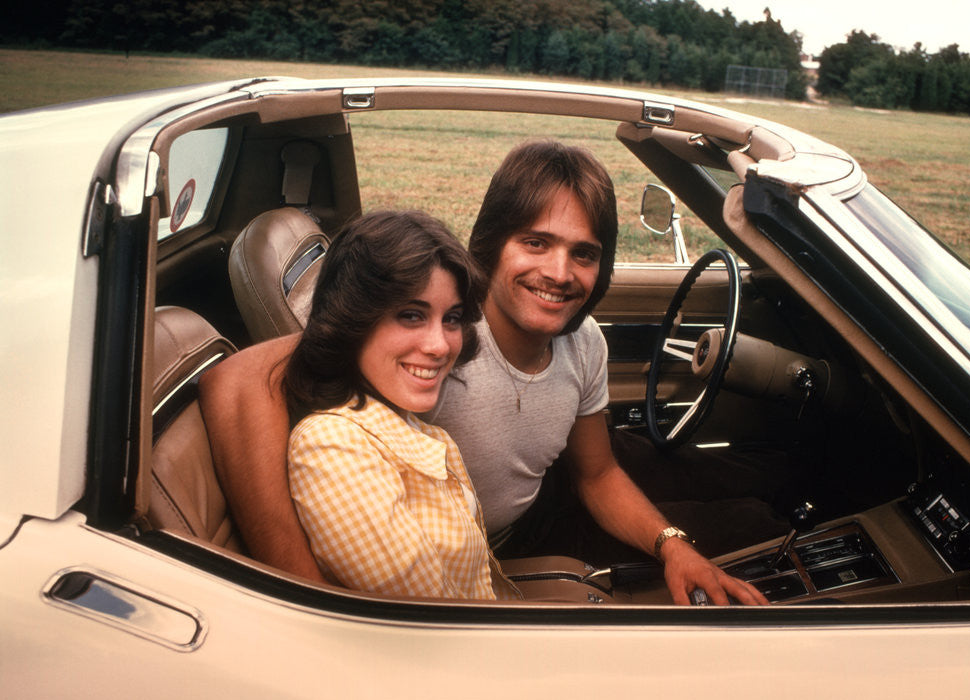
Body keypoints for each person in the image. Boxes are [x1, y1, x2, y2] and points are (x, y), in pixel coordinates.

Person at [200, 141, 771, 606]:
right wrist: (307, 595)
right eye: (536, 243)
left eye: (584, 254)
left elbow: (596, 474)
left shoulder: (585, 342)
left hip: (551, 484)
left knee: (752, 475)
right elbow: (235, 379)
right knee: (751, 524)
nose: (559, 273)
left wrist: (672, 545)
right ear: (492, 245)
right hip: (505, 540)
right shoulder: (440, 332)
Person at [282, 209, 517, 600]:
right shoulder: (331, 446)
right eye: (411, 315)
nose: (439, 346)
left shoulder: (403, 422)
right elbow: (432, 619)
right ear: (353, 320)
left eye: (452, 318)